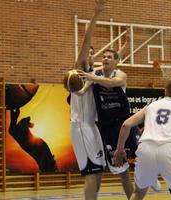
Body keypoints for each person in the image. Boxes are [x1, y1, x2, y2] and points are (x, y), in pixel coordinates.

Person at [79, 48, 160, 198]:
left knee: (143, 151)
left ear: (116, 62)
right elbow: (82, 91)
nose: (105, 59)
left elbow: (114, 83)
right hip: (107, 127)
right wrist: (76, 85)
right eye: (103, 57)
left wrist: (93, 77)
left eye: (109, 57)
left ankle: (151, 175)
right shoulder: (95, 74)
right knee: (122, 172)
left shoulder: (120, 74)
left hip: (125, 122)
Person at [66, 1, 106, 200]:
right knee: (91, 174)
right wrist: (96, 14)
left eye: (92, 53)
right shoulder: (79, 71)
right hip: (81, 126)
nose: (89, 55)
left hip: (92, 126)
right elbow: (85, 40)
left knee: (98, 172)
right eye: (87, 53)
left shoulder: (94, 74)